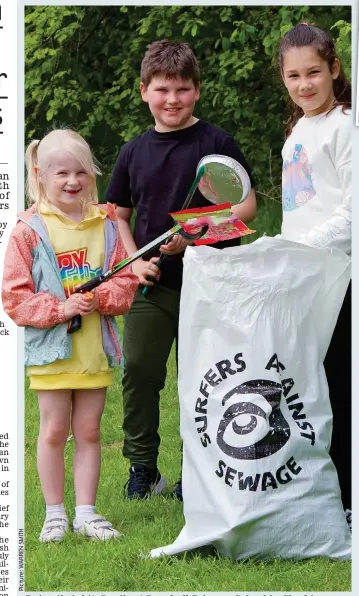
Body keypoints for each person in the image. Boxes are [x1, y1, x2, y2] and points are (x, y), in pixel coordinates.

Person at [105, 40, 257, 500]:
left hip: (211, 287)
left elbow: (247, 207)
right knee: (139, 373)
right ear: (143, 91)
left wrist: (193, 235)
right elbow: (117, 213)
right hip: (155, 288)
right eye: (163, 89)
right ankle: (144, 468)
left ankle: (201, 470)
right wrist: (135, 265)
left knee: (204, 381)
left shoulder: (216, 144)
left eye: (183, 89)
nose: (173, 99)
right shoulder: (133, 152)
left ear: (197, 91)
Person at [1, 129, 138, 542]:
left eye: (81, 172)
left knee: (91, 430)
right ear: (40, 174)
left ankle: (87, 513)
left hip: (93, 352)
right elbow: (14, 295)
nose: (73, 181)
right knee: (54, 430)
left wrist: (102, 299)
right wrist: (60, 309)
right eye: (62, 173)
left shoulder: (106, 223)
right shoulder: (29, 229)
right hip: (52, 354)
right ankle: (54, 514)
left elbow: (126, 281)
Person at [278, 23, 351, 525]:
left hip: (341, 276)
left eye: (314, 73)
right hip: (304, 278)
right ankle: (323, 492)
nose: (305, 85)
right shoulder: (299, 130)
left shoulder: (346, 125)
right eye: (294, 76)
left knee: (344, 385)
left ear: (334, 70)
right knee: (312, 386)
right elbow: (298, 207)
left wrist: (302, 249)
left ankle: (350, 500)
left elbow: (351, 212)